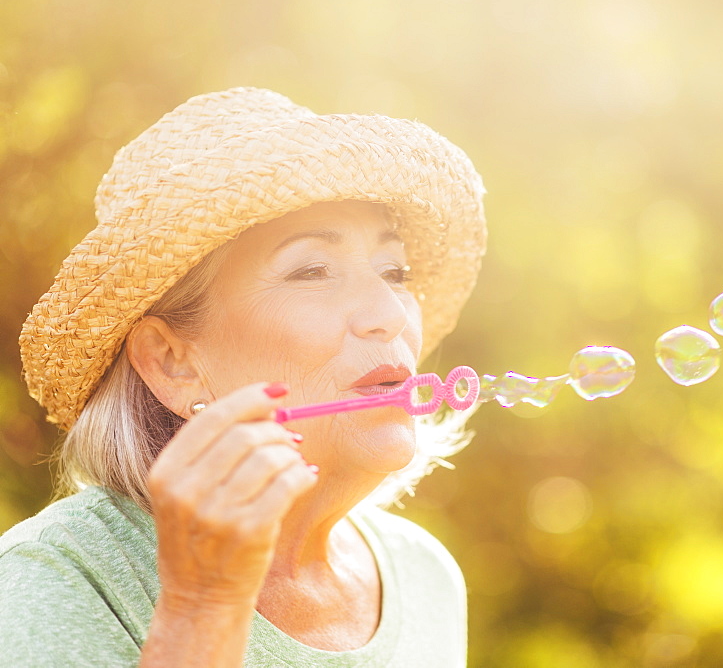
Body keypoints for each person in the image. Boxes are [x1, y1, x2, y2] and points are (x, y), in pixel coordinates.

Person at [0, 87, 487, 667]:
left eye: (394, 270)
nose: (388, 314)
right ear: (172, 363)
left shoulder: (424, 574)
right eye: (311, 270)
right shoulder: (52, 581)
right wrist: (203, 605)